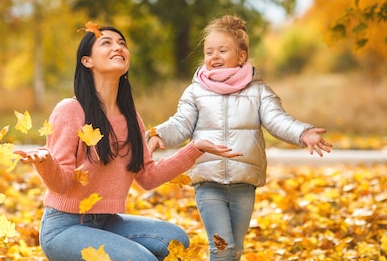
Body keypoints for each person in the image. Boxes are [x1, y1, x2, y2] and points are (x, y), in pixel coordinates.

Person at [14, 24, 239, 261]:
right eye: (107, 43)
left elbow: (148, 177)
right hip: (64, 228)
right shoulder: (70, 110)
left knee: (175, 241)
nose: (118, 47)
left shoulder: (130, 117)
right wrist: (45, 161)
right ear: (87, 61)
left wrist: (195, 149)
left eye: (122, 43)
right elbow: (61, 184)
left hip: (107, 222)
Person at [147, 14, 333, 261]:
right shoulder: (196, 92)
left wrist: (302, 132)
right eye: (209, 52)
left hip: (244, 184)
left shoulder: (258, 91)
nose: (214, 57)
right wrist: (159, 134)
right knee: (221, 248)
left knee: (234, 250)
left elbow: (277, 120)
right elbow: (181, 123)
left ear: (241, 56)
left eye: (222, 50)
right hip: (208, 182)